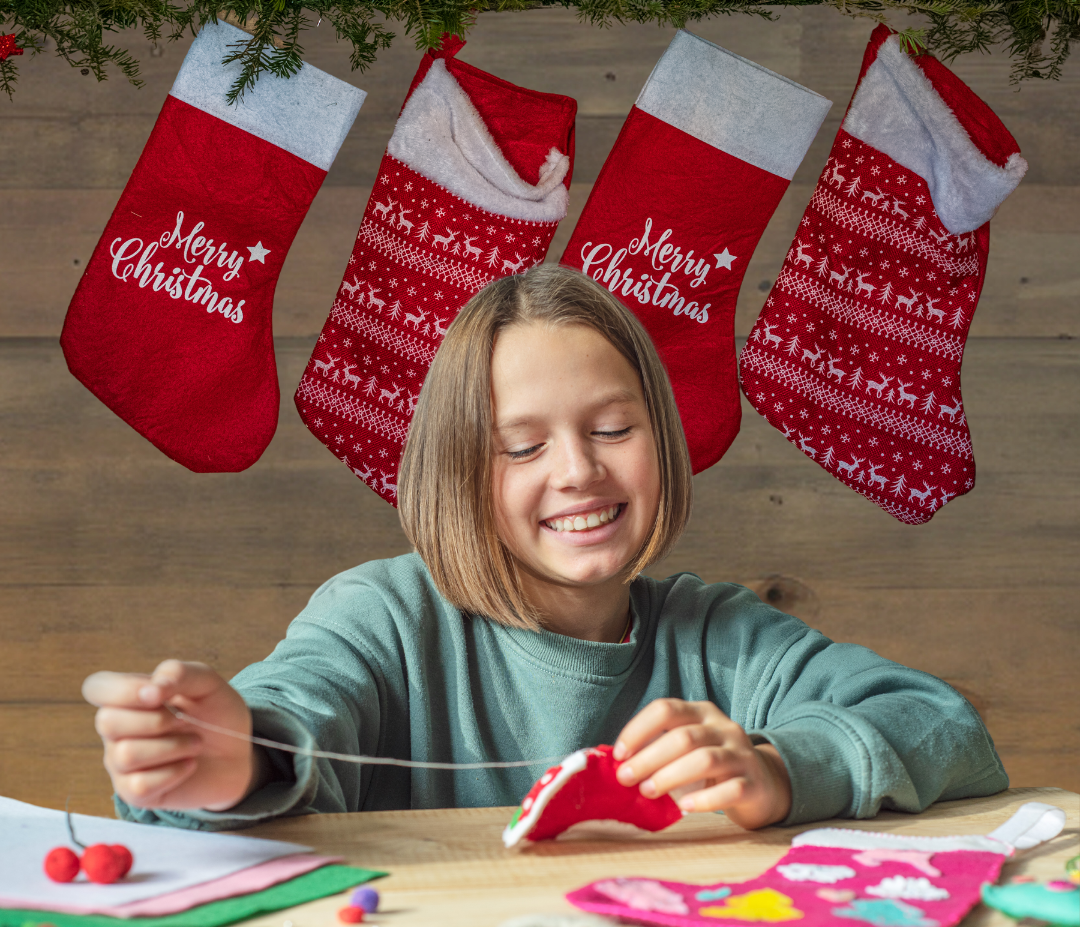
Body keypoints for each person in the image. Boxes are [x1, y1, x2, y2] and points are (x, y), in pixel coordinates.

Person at [82, 266, 1007, 833]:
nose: (577, 472)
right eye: (521, 447)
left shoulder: (719, 635)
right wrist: (239, 760)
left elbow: (945, 730)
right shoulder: (381, 617)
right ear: (458, 473)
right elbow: (297, 707)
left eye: (613, 428)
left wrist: (777, 768)